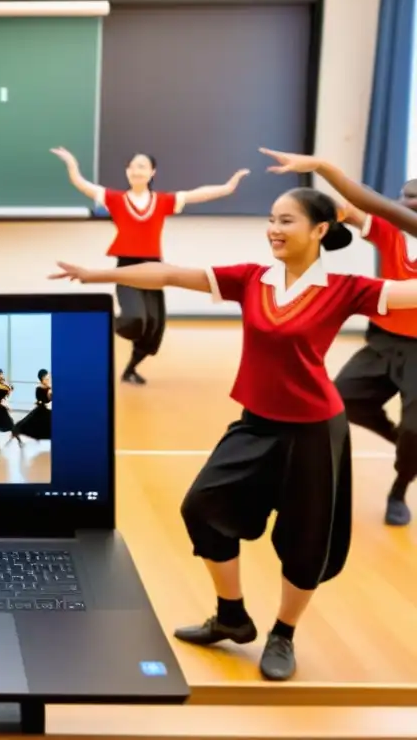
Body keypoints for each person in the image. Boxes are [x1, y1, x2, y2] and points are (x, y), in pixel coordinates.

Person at [49, 182, 417, 682]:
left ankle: (283, 634)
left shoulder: (347, 288)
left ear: (321, 229)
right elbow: (169, 273)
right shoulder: (252, 279)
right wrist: (97, 273)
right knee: (201, 507)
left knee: (306, 542)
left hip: (315, 433)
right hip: (256, 423)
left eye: (286, 220)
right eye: (271, 219)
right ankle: (231, 616)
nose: (273, 229)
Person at [277, 154, 417, 527]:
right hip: (383, 341)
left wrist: (323, 166)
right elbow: (356, 211)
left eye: (413, 199)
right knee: (343, 400)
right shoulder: (391, 234)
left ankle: (399, 489)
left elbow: (369, 202)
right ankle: (405, 443)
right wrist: (319, 211)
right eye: (402, 197)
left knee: (415, 432)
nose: (404, 204)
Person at [50, 147, 249, 384]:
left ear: (152, 172)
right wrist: (72, 164)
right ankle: (91, 325)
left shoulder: (163, 201)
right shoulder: (115, 198)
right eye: (133, 166)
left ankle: (130, 369)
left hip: (155, 268)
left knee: (154, 327)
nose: (137, 170)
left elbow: (197, 194)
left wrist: (228, 187)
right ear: (127, 171)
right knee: (135, 318)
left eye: (143, 166)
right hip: (126, 267)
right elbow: (82, 184)